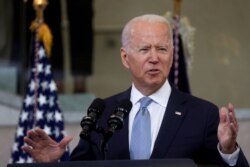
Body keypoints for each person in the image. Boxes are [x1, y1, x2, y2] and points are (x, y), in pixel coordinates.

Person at [22, 14, 249, 166]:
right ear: (125, 57)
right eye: (144, 49)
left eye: (162, 49)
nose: (154, 58)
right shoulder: (102, 112)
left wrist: (228, 150)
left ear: (172, 55)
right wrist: (55, 163)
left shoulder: (203, 114)